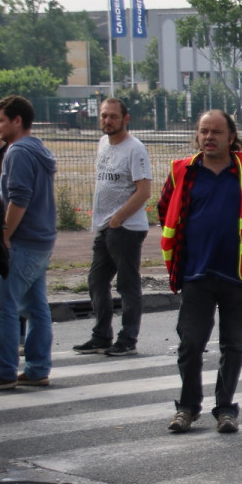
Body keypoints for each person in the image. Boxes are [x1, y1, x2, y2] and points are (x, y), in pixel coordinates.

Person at [158, 109, 242, 433]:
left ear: (231, 137)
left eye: (215, 132)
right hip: (196, 273)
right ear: (197, 136)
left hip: (237, 275)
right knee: (190, 344)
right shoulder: (183, 172)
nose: (208, 137)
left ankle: (226, 409)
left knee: (233, 345)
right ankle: (187, 407)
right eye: (203, 131)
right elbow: (164, 210)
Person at [73, 98, 152, 357]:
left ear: (125, 119)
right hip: (105, 227)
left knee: (127, 286)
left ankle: (128, 338)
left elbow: (143, 192)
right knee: (96, 281)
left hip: (126, 228)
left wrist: (118, 218)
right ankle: (102, 335)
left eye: (113, 117)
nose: (107, 121)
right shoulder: (103, 144)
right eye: (104, 116)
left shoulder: (135, 149)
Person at [0, 96, 57, 390]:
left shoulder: (18, 152)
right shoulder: (37, 148)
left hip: (21, 241)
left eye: (1, 121)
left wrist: (4, 237)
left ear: (17, 120)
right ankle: (37, 369)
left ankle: (4, 371)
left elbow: (18, 199)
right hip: (42, 239)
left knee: (4, 307)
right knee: (36, 307)